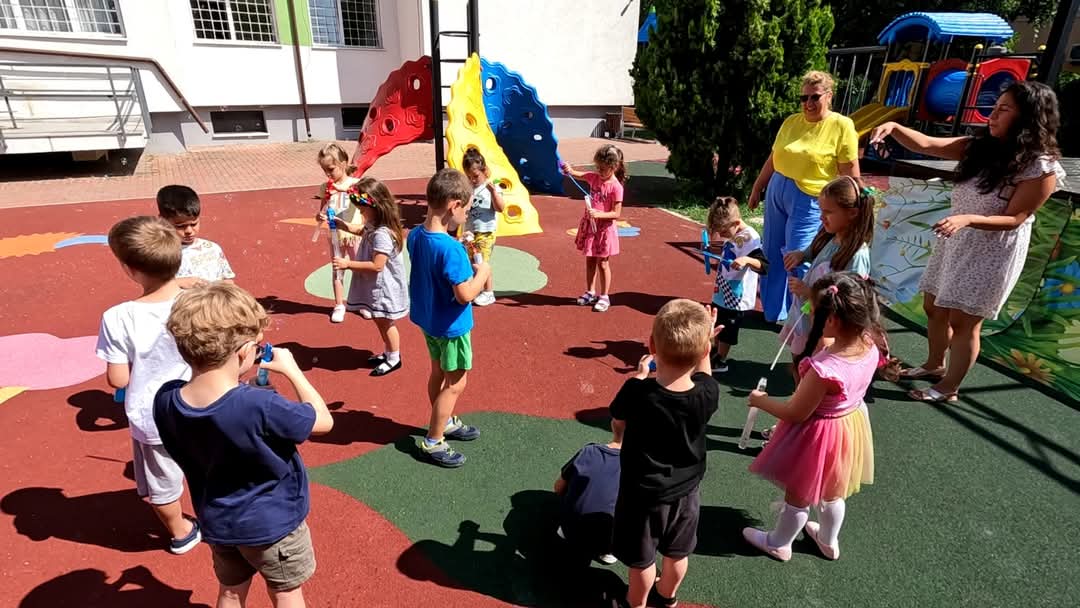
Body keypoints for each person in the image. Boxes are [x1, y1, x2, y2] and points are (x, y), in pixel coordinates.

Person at [869, 81, 1067, 403]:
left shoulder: (1040, 167)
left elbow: (1015, 219)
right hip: (957, 238)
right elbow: (927, 144)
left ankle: (949, 387)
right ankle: (934, 365)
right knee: (934, 306)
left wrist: (966, 219)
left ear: (1028, 118)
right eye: (995, 107)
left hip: (992, 251)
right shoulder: (980, 146)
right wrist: (893, 127)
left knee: (964, 322)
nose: (993, 115)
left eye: (1004, 109)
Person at [154, 283, 334, 608]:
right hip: (273, 525)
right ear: (244, 351)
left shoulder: (166, 398)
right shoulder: (259, 406)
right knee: (286, 593)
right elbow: (323, 421)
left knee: (230, 590)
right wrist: (293, 372)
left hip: (219, 521)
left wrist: (245, 391)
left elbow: (219, 412)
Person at [743, 272, 880, 562]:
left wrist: (761, 401)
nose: (811, 315)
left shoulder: (824, 371)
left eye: (815, 311)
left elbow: (795, 413)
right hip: (847, 427)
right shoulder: (869, 343)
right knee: (833, 492)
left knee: (798, 495)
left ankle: (779, 543)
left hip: (816, 437)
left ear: (832, 321)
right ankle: (829, 541)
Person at [94, 216, 200, 555]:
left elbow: (118, 379)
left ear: (130, 269)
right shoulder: (197, 301)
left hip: (154, 416)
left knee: (162, 482)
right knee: (210, 464)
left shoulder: (118, 316)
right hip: (204, 404)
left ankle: (181, 532)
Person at [610, 299, 721, 608]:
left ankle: (636, 603)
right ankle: (667, 597)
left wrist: (639, 374)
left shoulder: (637, 392)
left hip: (642, 494)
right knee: (677, 554)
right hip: (686, 493)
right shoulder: (706, 394)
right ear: (705, 351)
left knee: (642, 561)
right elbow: (706, 376)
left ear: (651, 345)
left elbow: (618, 416)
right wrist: (706, 342)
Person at [748, 70, 861, 323]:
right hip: (777, 189)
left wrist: (857, 204)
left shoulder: (842, 125)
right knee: (771, 252)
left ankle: (800, 316)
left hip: (810, 198)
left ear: (829, 96)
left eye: (814, 97)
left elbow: (850, 172)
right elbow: (774, 158)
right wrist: (758, 187)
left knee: (797, 256)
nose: (808, 103)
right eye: (804, 97)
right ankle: (772, 311)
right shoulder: (791, 122)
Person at [408, 168, 491, 467]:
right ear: (454, 205)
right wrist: (483, 272)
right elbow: (465, 294)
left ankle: (445, 421)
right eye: (466, 210)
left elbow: (436, 271)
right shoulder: (452, 250)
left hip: (429, 321)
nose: (466, 215)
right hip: (452, 327)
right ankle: (433, 440)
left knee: (438, 373)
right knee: (456, 382)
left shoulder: (415, 235)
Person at [780, 176, 875, 361]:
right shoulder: (830, 235)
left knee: (815, 364)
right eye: (821, 210)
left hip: (826, 329)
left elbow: (849, 301)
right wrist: (802, 255)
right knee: (799, 358)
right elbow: (816, 251)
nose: (821, 217)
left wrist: (809, 292)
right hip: (808, 317)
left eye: (828, 212)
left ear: (852, 213)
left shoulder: (856, 256)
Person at [326, 177, 409, 377]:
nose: (361, 214)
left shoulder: (382, 233)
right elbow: (361, 230)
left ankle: (394, 357)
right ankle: (389, 352)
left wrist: (348, 264)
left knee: (385, 322)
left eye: (362, 210)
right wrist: (343, 225)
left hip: (384, 287)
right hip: (377, 285)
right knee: (379, 320)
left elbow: (377, 265)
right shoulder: (373, 224)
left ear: (376, 206)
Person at [704, 196, 768, 372]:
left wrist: (746, 260)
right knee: (717, 319)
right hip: (722, 287)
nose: (722, 235)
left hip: (737, 294)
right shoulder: (732, 232)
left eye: (724, 232)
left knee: (728, 328)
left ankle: (721, 360)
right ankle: (714, 351)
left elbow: (764, 265)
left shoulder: (751, 238)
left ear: (736, 223)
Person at [561, 144, 626, 312]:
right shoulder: (594, 178)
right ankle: (590, 291)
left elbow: (616, 213)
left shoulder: (616, 187)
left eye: (603, 169)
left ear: (614, 167)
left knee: (602, 263)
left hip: (604, 231)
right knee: (589, 260)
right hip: (591, 227)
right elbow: (577, 174)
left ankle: (604, 296)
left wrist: (599, 214)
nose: (599, 171)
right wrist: (568, 169)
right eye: (598, 167)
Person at [554, 419, 624, 566]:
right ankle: (608, 552)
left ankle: (568, 530)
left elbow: (558, 488)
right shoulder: (641, 467)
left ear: (613, 424)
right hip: (606, 542)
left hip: (569, 529)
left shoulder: (589, 451)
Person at [315, 143, 361, 323]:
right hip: (335, 236)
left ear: (343, 163)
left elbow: (364, 204)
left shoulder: (356, 184)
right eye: (324, 170)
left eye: (331, 169)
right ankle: (339, 304)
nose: (328, 174)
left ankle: (362, 301)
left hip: (354, 235)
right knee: (337, 269)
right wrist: (320, 216)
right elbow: (322, 210)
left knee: (360, 269)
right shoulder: (325, 187)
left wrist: (345, 190)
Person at [156, 185, 235, 288]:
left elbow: (228, 280)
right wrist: (180, 283)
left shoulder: (213, 248)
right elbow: (155, 287)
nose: (189, 231)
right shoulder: (161, 253)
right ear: (162, 220)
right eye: (180, 226)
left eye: (194, 224)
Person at [462, 148, 506, 307]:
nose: (472, 180)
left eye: (475, 176)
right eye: (469, 177)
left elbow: (500, 208)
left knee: (481, 262)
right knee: (472, 261)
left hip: (486, 231)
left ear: (484, 171)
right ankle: (476, 289)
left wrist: (494, 193)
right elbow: (464, 210)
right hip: (470, 232)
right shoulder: (468, 189)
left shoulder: (491, 188)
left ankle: (488, 292)